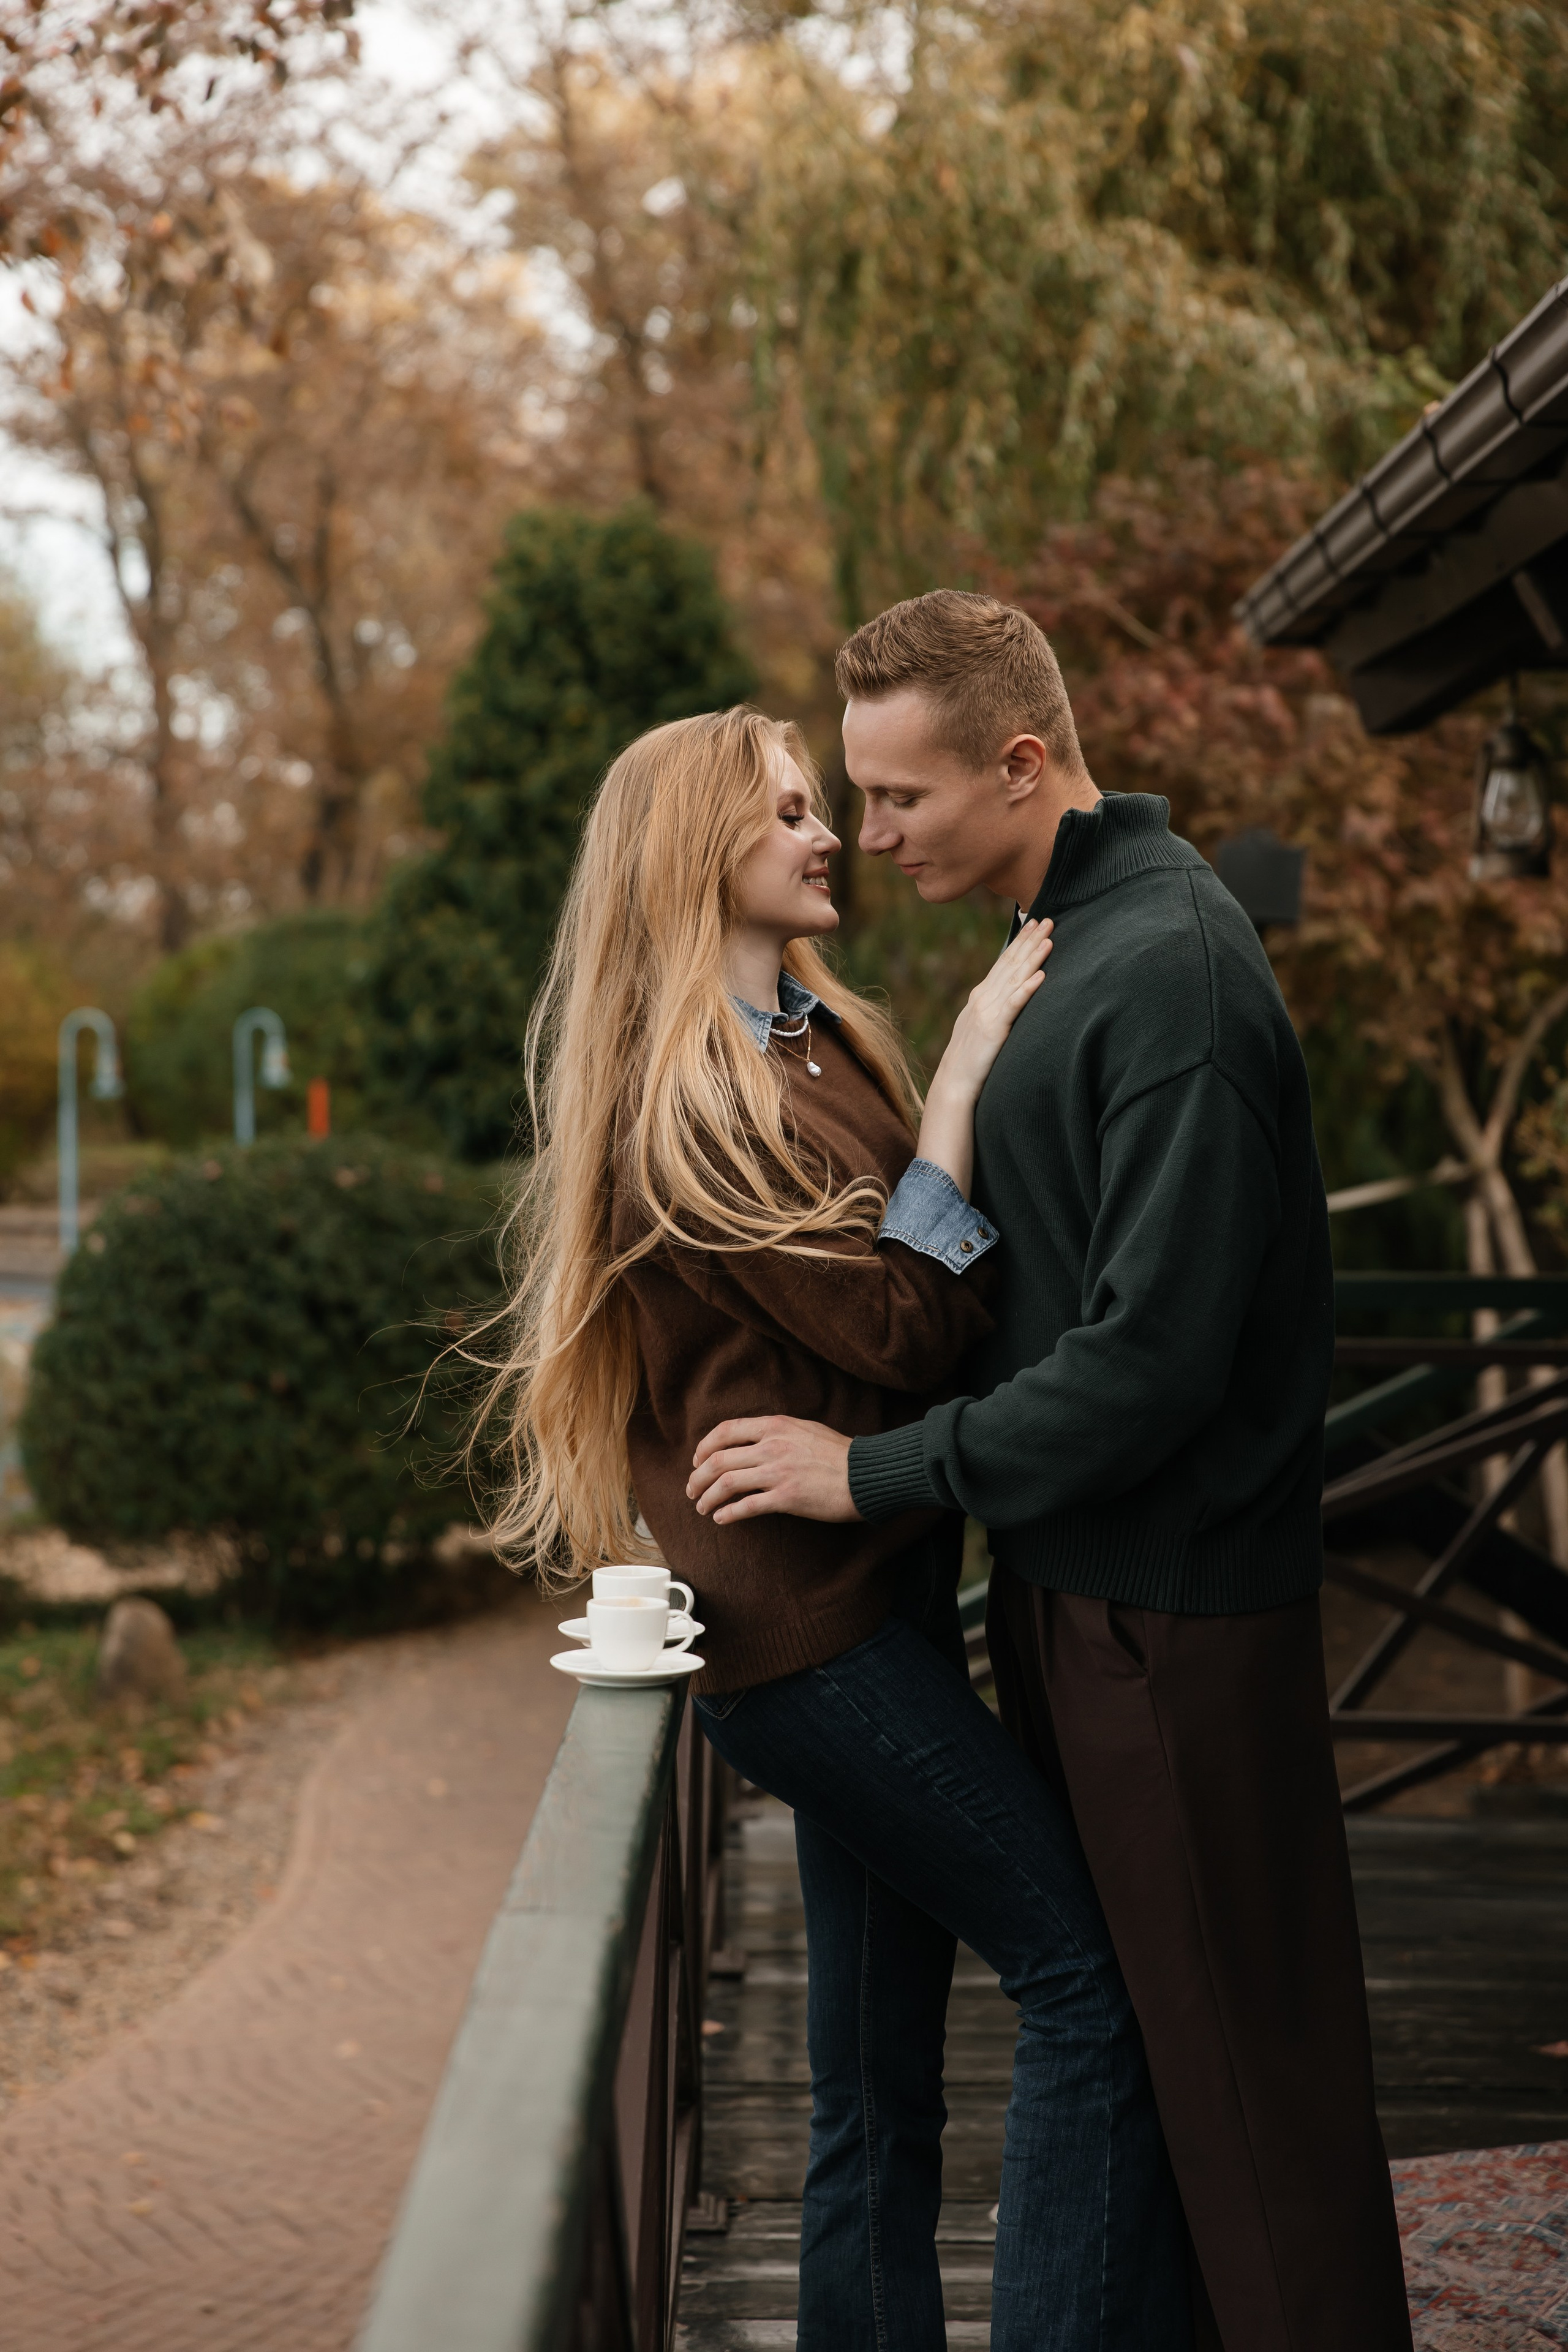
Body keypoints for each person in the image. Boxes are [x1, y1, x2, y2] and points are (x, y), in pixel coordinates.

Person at [687, 596, 1415, 2352]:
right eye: (845, 799)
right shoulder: (1061, 939)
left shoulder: (1168, 968)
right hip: (1074, 1597)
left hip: (1169, 1616)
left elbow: (1150, 1361)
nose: (872, 838)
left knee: (1241, 2087)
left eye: (899, 799)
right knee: (1169, 2058)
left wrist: (874, 1477)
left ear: (1022, 765)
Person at [484, 703, 1190, 2352]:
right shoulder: (690, 1110)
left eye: (828, 803)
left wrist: (930, 1134)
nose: (832, 836)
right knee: (1090, 1989)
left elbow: (932, 1288)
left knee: (874, 2098)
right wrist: (952, 1092)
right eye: (794, 811)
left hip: (870, 1607)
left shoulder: (812, 1038)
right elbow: (905, 1327)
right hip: (804, 1647)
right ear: (697, 858)